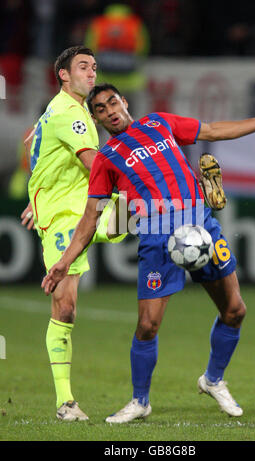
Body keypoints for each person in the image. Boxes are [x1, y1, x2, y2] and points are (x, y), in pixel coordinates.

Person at [42, 83, 255, 423]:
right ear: (97, 119)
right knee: (147, 325)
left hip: (200, 226)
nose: (109, 110)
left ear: (124, 102)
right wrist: (64, 261)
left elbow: (213, 130)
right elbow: (91, 216)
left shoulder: (159, 123)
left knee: (234, 311)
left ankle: (213, 380)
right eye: (99, 109)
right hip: (158, 240)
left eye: (112, 102)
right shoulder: (106, 159)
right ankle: (140, 401)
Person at [21, 48, 126, 422]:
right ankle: (65, 402)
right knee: (65, 305)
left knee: (140, 212)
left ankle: (183, 205)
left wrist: (37, 195)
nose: (91, 72)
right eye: (83, 67)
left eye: (95, 67)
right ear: (63, 74)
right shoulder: (70, 115)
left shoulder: (66, 109)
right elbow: (93, 165)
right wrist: (43, 200)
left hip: (82, 208)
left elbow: (38, 149)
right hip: (67, 217)